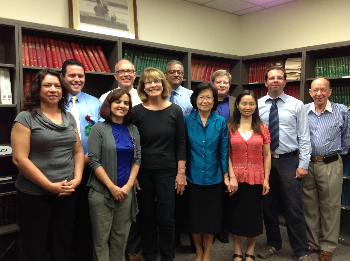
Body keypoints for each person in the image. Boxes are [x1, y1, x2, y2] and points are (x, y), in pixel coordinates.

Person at [11, 69, 85, 261]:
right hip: (35, 195)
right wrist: (49, 186)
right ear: (37, 90)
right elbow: (20, 159)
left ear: (63, 91)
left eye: (58, 86)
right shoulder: (25, 118)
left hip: (66, 192)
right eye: (47, 85)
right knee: (36, 246)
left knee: (62, 242)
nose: (53, 89)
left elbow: (77, 151)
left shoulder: (68, 117)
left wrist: (76, 180)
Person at [257, 66, 312, 261]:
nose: (275, 81)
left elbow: (305, 136)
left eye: (279, 78)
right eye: (272, 78)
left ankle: (300, 250)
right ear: (266, 82)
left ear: (285, 82)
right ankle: (274, 244)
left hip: (289, 160)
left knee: (293, 207)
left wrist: (303, 163)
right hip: (265, 161)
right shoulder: (257, 105)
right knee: (268, 206)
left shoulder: (297, 105)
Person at [133, 67, 186, 261]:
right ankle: (149, 256)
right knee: (146, 217)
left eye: (156, 81)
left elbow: (181, 143)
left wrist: (181, 173)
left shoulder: (175, 110)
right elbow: (133, 145)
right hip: (143, 171)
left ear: (163, 84)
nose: (153, 85)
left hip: (168, 172)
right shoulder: (136, 111)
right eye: (148, 82)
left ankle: (167, 256)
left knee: (166, 218)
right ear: (143, 87)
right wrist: (134, 174)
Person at [87, 89, 141, 261]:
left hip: (126, 192)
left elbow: (137, 159)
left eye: (126, 103)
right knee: (101, 240)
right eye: (117, 101)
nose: (122, 106)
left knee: (120, 237)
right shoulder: (99, 128)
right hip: (102, 192)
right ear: (109, 105)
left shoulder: (133, 130)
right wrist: (112, 187)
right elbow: (94, 161)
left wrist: (127, 186)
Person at [303, 77, 350, 261]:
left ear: (329, 91)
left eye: (323, 90)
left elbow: (347, 138)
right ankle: (313, 242)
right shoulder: (304, 110)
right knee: (310, 205)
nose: (319, 93)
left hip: (331, 164)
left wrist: (335, 154)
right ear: (310, 92)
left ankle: (327, 245)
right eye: (315, 90)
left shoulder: (342, 110)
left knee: (330, 206)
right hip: (307, 164)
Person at [100, 59, 142, 261]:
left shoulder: (144, 97)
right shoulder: (104, 98)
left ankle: (131, 251)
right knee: (104, 229)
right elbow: (99, 148)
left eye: (130, 71)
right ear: (115, 76)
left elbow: (138, 152)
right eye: (121, 71)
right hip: (109, 168)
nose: (126, 74)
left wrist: (134, 176)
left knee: (127, 223)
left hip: (133, 167)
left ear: (135, 74)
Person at [62, 59, 104, 261]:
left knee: (86, 215)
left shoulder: (95, 103)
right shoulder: (54, 100)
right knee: (63, 215)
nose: (76, 79)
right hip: (60, 167)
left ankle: (84, 255)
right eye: (72, 75)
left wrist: (89, 157)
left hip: (89, 165)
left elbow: (104, 133)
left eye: (80, 76)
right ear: (62, 77)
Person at [184, 82, 229, 261]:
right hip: (192, 177)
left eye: (209, 97)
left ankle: (208, 252)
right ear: (195, 100)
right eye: (201, 97)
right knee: (194, 219)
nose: (205, 100)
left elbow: (224, 150)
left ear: (214, 100)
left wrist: (226, 175)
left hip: (214, 177)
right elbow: (183, 149)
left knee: (211, 219)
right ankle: (199, 251)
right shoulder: (187, 121)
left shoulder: (220, 122)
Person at [225, 90, 271, 261]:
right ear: (237, 105)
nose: (248, 107)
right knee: (236, 216)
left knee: (253, 218)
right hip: (235, 179)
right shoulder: (230, 127)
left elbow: (267, 155)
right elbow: (226, 155)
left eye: (251, 103)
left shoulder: (262, 128)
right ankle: (237, 250)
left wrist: (266, 179)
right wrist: (231, 178)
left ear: (255, 106)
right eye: (244, 103)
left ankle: (250, 250)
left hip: (256, 178)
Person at [164, 60, 193, 248]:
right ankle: (171, 237)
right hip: (164, 150)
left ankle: (189, 236)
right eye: (172, 71)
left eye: (180, 72)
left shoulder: (192, 96)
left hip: (188, 150)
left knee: (187, 195)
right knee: (168, 195)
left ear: (183, 75)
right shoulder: (158, 95)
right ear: (165, 74)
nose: (176, 74)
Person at [212, 69, 236, 244]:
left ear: (229, 85)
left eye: (225, 82)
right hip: (209, 151)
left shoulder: (236, 102)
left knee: (228, 192)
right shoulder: (206, 100)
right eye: (219, 82)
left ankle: (223, 227)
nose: (222, 85)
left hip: (232, 152)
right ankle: (213, 228)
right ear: (213, 84)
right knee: (214, 193)